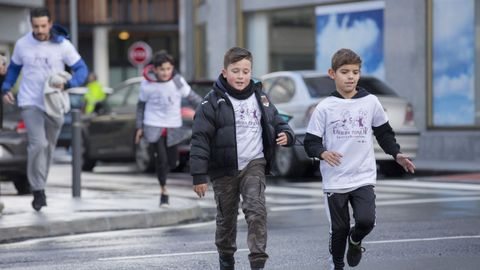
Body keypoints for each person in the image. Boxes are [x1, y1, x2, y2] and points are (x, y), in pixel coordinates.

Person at [303, 48, 415, 270]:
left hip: (363, 175)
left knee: (366, 221)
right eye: (345, 72)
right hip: (335, 178)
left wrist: (396, 153)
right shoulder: (325, 107)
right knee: (339, 229)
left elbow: (384, 133)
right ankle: (337, 265)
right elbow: (310, 143)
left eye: (355, 72)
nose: (351, 76)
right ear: (332, 73)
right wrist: (323, 153)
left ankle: (355, 242)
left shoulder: (370, 102)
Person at [190, 47, 295, 270]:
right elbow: (200, 139)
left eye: (245, 71)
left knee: (256, 210)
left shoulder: (261, 98)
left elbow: (276, 120)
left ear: (251, 72)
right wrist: (199, 175)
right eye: (235, 71)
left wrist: (287, 134)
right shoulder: (211, 103)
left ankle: (258, 261)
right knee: (226, 219)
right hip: (224, 168)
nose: (241, 76)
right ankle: (226, 258)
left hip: (254, 163)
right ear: (224, 72)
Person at [1, 7, 88, 211]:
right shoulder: (23, 44)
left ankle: (40, 184)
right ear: (32, 24)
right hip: (30, 101)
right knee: (38, 144)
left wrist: (68, 84)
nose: (39, 30)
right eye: (35, 26)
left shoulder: (63, 45)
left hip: (54, 102)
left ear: (50, 24)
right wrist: (5, 87)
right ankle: (38, 190)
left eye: (43, 26)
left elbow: (82, 69)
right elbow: (14, 69)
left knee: (48, 147)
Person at [135, 50, 202, 206]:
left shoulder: (177, 81)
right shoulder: (147, 84)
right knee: (162, 161)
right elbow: (140, 106)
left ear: (172, 68)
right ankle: (163, 191)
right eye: (162, 69)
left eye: (168, 69)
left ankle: (165, 180)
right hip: (153, 125)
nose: (165, 72)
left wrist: (207, 109)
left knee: (173, 162)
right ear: (155, 69)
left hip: (173, 125)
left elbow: (193, 98)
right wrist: (139, 127)